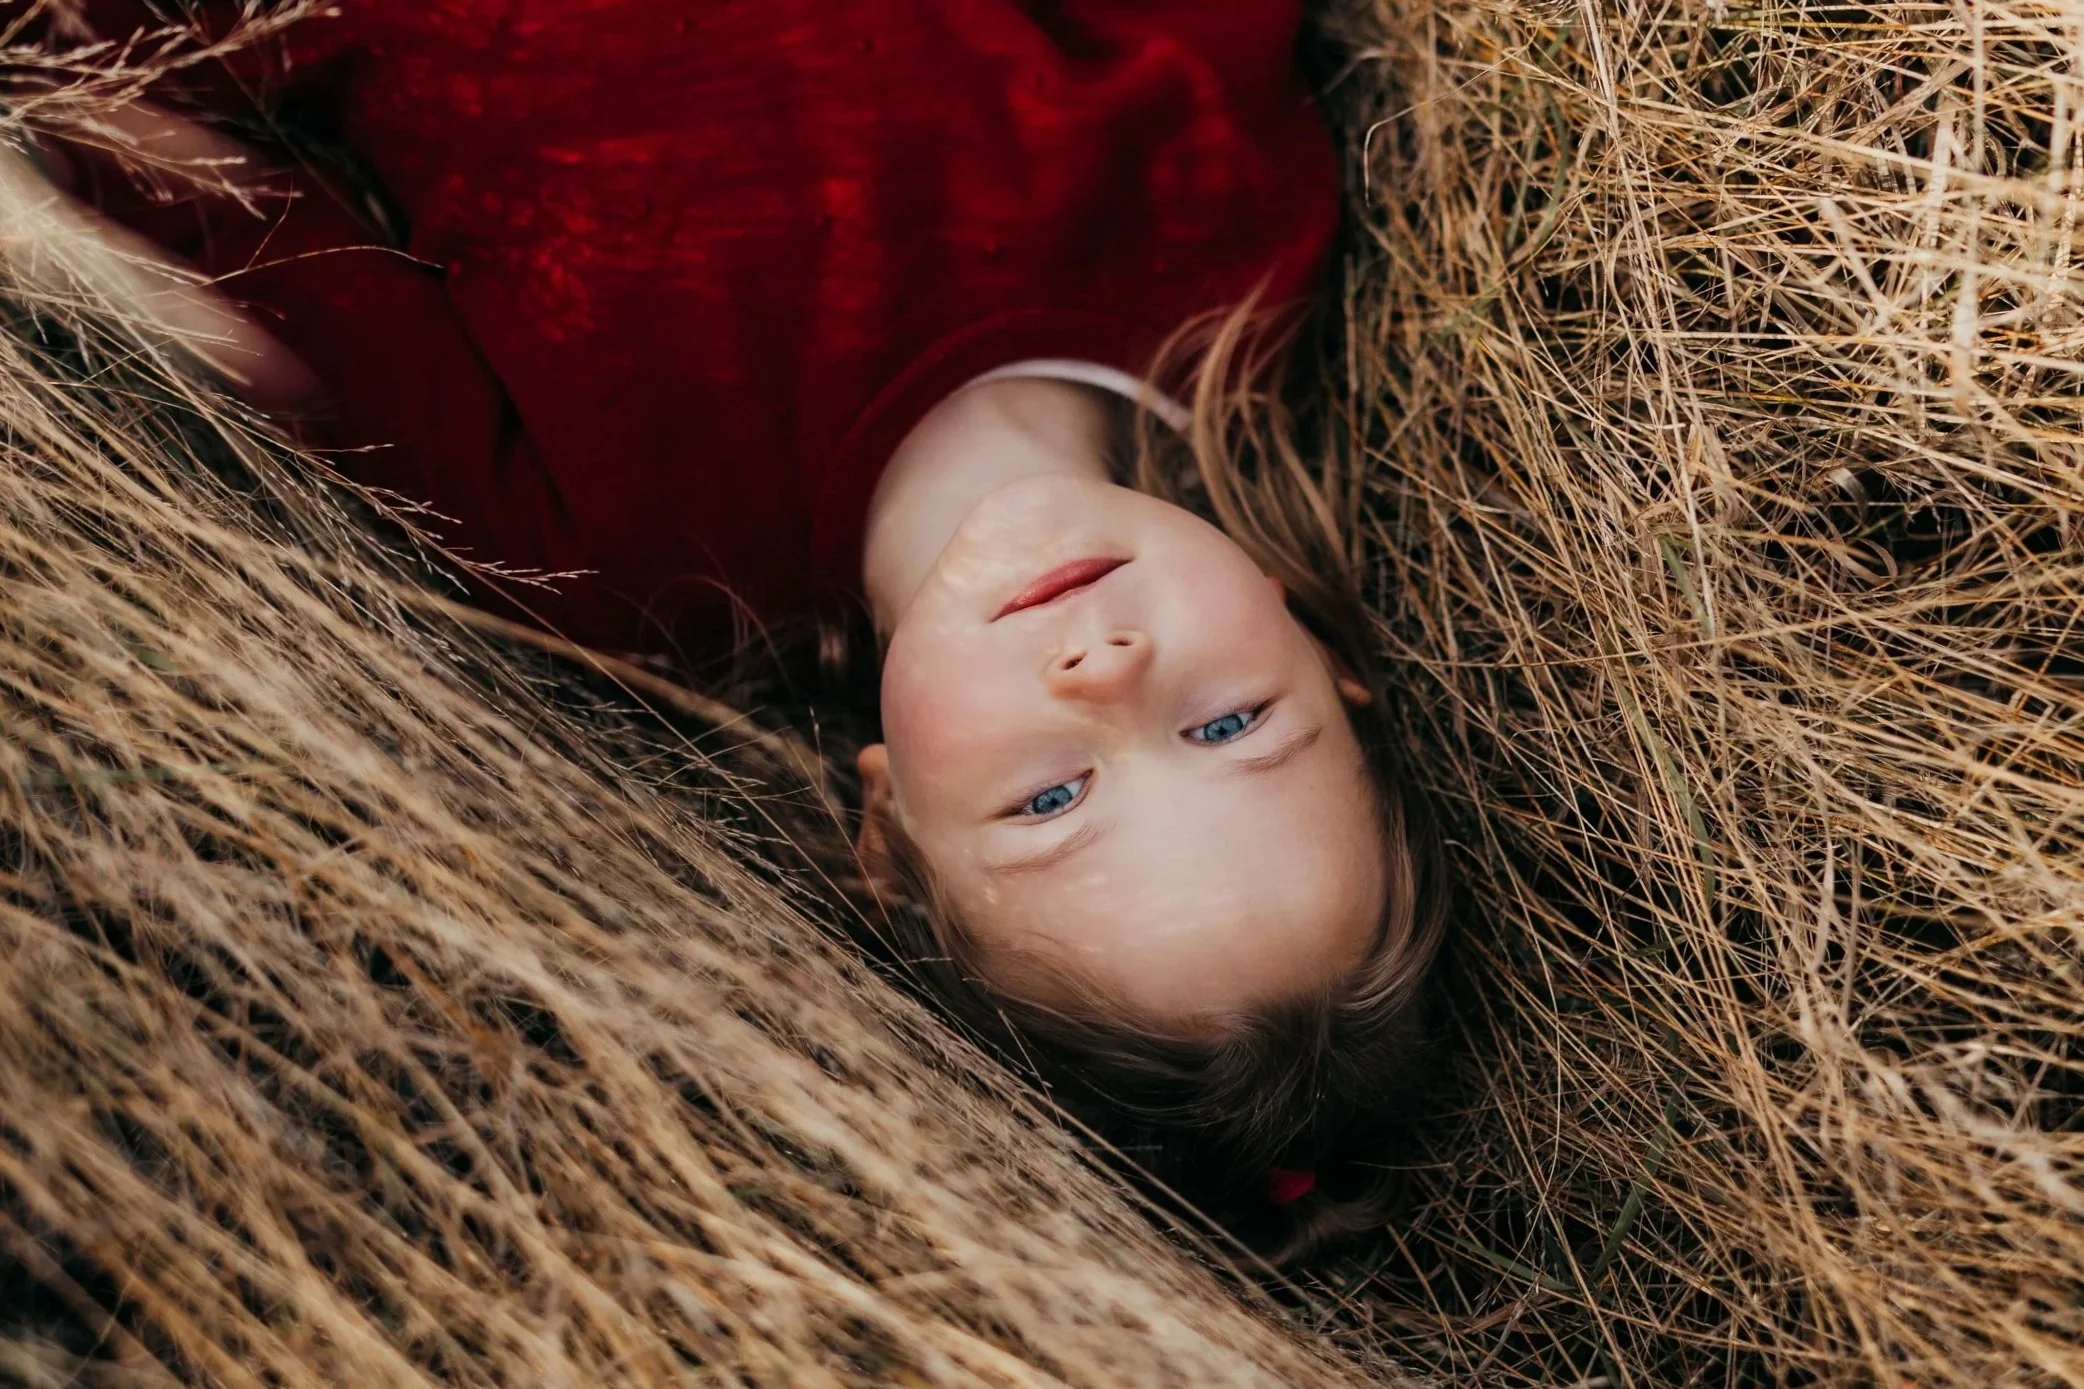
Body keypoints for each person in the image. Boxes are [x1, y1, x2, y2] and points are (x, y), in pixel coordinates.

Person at [25, 0, 1450, 1258]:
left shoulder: (613, 559)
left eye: (1052, 796)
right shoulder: (1226, 220)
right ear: (1329, 655)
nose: (1106, 674)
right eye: (1227, 725)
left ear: (889, 832)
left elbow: (203, 207)